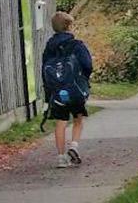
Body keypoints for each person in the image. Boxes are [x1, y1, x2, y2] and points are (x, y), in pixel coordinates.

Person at [42, 12, 92, 169]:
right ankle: (74, 146)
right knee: (78, 118)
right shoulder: (77, 45)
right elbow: (87, 65)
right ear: (69, 26)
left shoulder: (49, 47)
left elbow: (44, 70)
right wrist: (84, 79)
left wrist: (48, 93)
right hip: (75, 88)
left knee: (61, 122)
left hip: (57, 91)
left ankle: (61, 158)